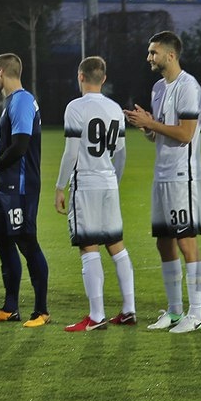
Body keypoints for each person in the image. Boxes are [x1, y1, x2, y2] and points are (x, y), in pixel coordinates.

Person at [123, 31, 201, 331]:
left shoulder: (188, 86)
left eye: (153, 52)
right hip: (162, 175)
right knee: (164, 243)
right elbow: (159, 134)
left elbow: (186, 134)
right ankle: (174, 311)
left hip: (183, 176)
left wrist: (152, 123)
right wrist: (147, 127)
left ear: (170, 55)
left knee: (186, 241)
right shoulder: (158, 88)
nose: (149, 57)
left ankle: (196, 314)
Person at [55, 56, 136, 332]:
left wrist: (59, 186)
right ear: (103, 79)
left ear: (80, 76)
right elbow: (121, 154)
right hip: (109, 182)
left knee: (88, 246)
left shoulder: (75, 107)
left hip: (86, 183)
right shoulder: (114, 108)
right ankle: (129, 309)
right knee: (116, 245)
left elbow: (71, 152)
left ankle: (97, 315)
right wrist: (115, 181)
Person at [0, 53, 50, 328]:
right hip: (6, 187)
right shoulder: (13, 102)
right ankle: (10, 308)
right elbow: (11, 144)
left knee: (27, 243)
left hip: (21, 187)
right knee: (3, 243)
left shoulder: (23, 100)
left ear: (1, 72)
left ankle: (41, 311)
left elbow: (21, 146)